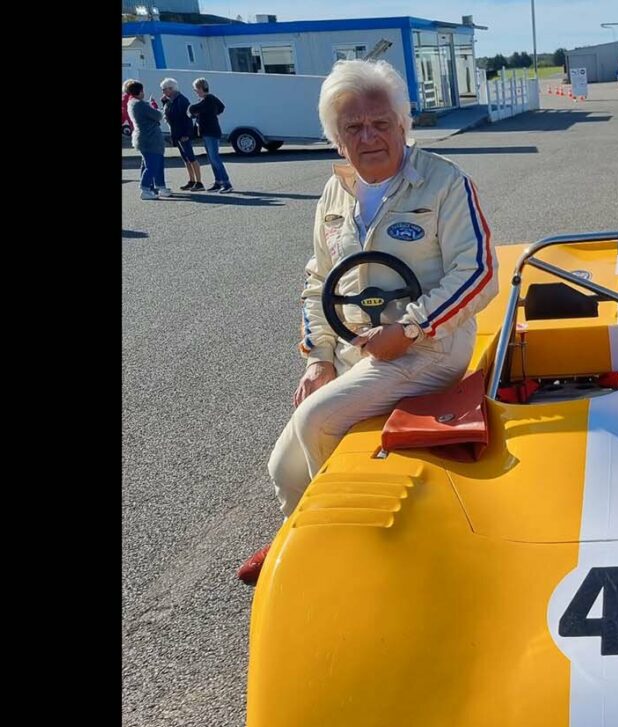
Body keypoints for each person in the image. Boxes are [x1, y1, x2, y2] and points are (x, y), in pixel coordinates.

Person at [237, 59, 498, 584]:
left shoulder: (444, 183)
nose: (369, 136)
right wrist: (319, 359)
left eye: (380, 123)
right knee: (282, 467)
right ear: (336, 138)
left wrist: (412, 328)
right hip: (358, 349)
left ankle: (342, 549)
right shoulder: (335, 193)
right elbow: (319, 280)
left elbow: (479, 273)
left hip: (429, 349)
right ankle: (296, 534)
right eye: (353, 127)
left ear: (403, 125)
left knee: (317, 421)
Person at [188, 78, 233, 193]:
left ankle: (226, 183)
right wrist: (212, 114)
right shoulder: (208, 100)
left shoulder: (208, 99)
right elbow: (221, 107)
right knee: (212, 159)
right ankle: (218, 182)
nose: (195, 92)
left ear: (200, 88)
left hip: (211, 132)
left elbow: (193, 109)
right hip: (208, 132)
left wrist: (196, 112)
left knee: (214, 158)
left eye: (195, 89)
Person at [124, 80, 166, 200]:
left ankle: (151, 188)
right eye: (142, 90)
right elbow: (158, 115)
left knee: (147, 164)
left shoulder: (132, 103)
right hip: (149, 139)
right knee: (152, 165)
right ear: (139, 91)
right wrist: (154, 106)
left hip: (143, 138)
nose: (144, 93)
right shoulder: (139, 104)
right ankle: (145, 188)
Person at [160, 78, 203, 192]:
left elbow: (187, 118)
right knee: (185, 158)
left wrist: (187, 133)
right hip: (176, 133)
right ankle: (192, 180)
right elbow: (168, 114)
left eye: (164, 89)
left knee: (191, 157)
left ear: (171, 89)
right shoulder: (170, 100)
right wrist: (164, 102)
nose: (163, 92)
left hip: (183, 133)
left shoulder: (181, 100)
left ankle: (199, 182)